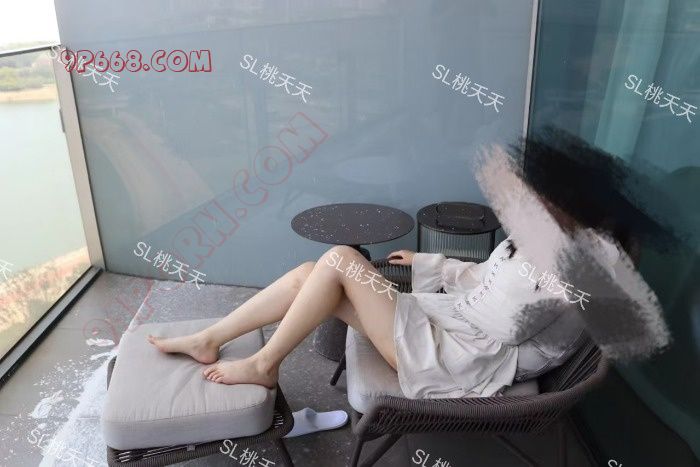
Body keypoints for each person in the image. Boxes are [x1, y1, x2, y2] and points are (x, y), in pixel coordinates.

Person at [148, 207, 618, 398]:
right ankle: (210, 339)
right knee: (312, 273)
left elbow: (507, 324)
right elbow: (485, 278)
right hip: (451, 324)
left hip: (461, 356)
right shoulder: (541, 238)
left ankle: (264, 364)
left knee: (340, 258)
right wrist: (428, 262)